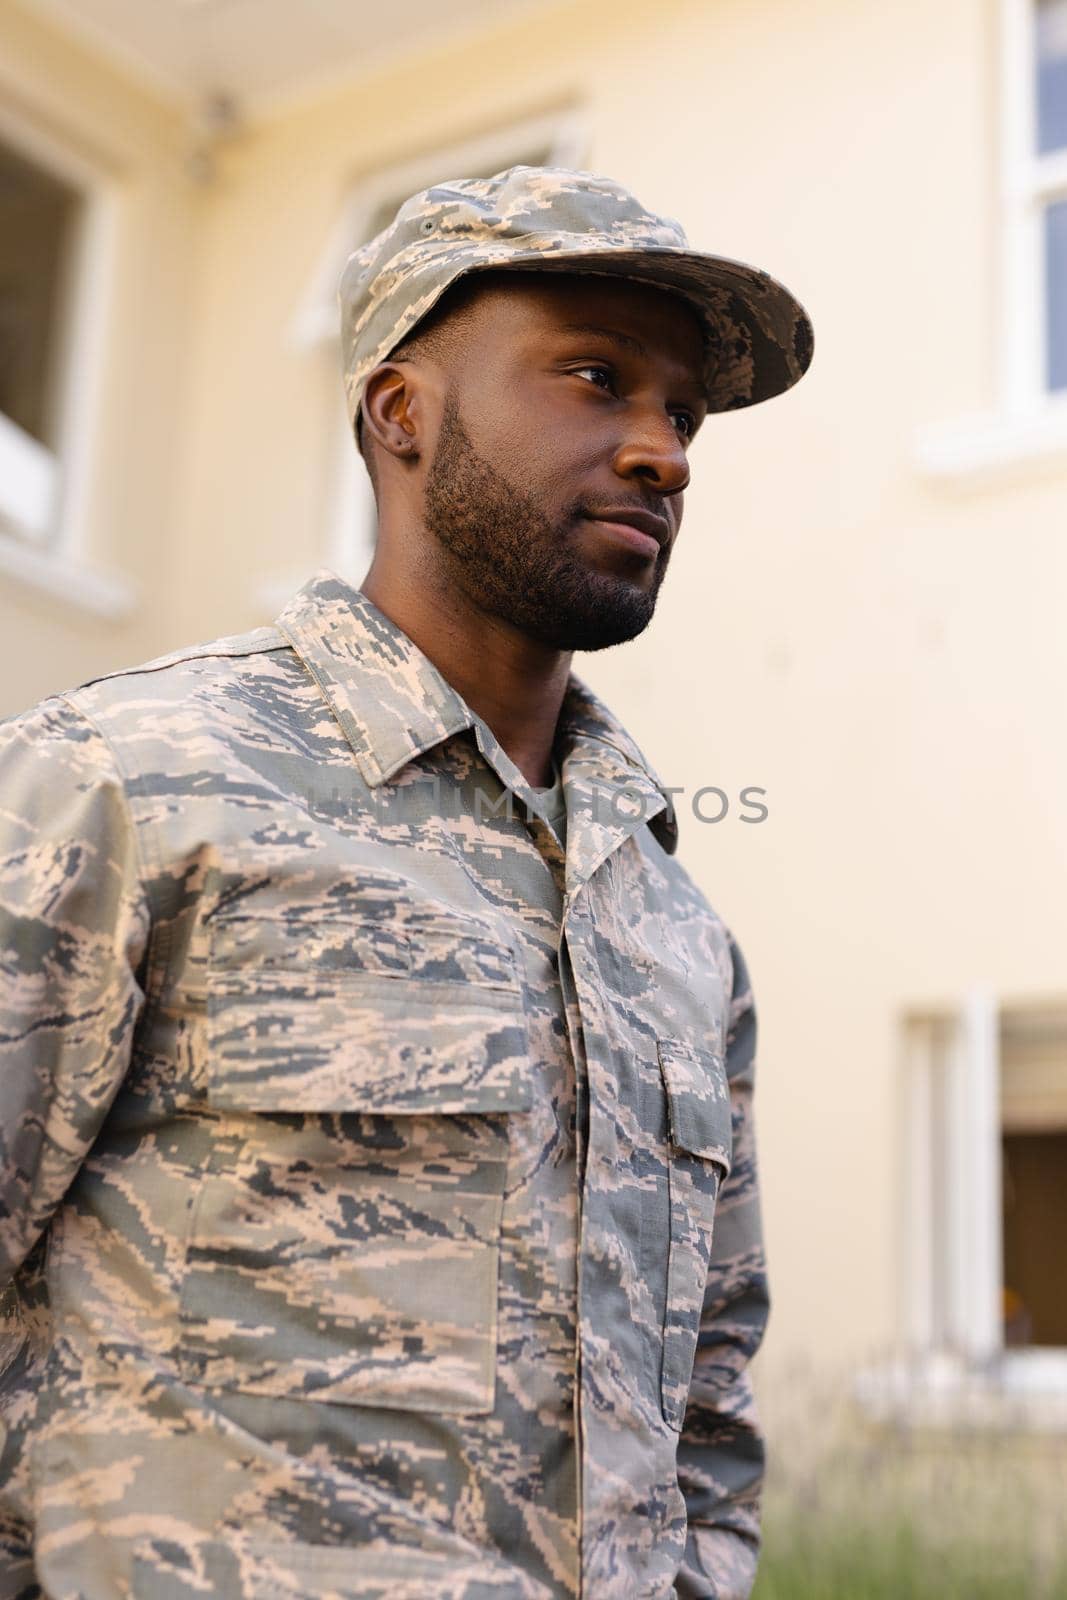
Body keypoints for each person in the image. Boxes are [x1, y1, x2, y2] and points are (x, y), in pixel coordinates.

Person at [0, 166, 812, 1600]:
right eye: (594, 376)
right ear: (400, 415)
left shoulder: (676, 934)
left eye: (679, 413)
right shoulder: (121, 780)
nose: (662, 452)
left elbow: (709, 1415)